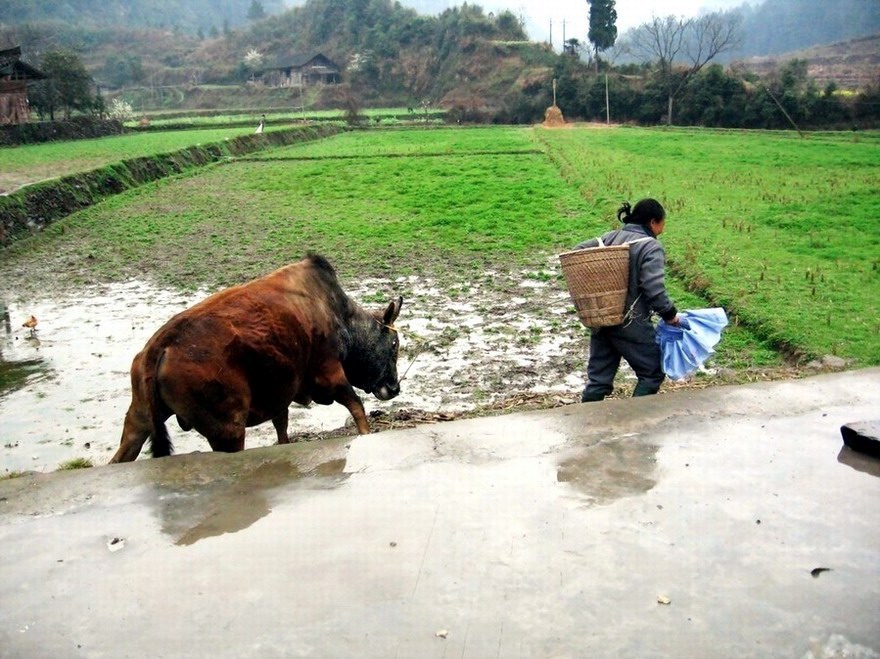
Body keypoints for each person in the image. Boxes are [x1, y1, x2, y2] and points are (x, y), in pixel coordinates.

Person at [574, 198, 681, 402]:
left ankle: (587, 424)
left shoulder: (609, 238)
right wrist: (670, 314)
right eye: (662, 224)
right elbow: (653, 288)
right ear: (653, 222)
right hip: (631, 322)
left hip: (602, 318)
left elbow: (578, 250)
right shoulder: (650, 247)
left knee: (599, 380)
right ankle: (634, 419)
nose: (663, 230)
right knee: (653, 372)